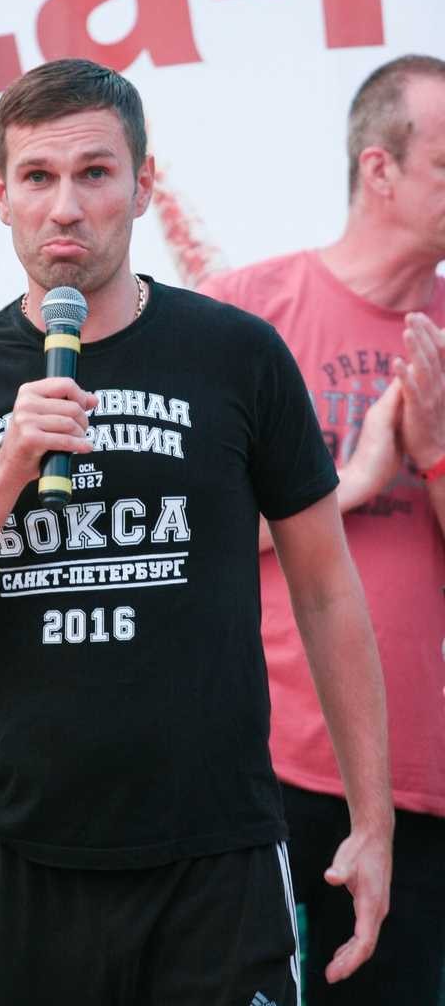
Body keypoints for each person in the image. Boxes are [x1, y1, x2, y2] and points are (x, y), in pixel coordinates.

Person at [0, 58, 392, 1006]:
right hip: (19, 865)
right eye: (38, 176)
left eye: (95, 173)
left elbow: (324, 589)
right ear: (1, 194)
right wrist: (7, 468)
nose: (66, 207)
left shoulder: (237, 355)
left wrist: (372, 819)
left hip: (214, 862)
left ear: (142, 186)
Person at [204, 54, 445, 1004]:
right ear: (380, 167)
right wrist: (349, 485)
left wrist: (434, 457)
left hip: (415, 785)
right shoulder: (244, 312)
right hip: (251, 765)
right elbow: (184, 538)